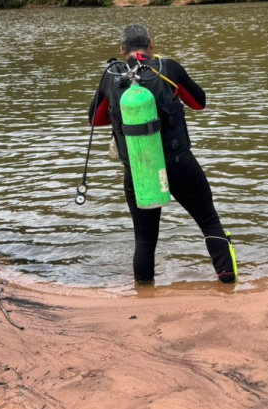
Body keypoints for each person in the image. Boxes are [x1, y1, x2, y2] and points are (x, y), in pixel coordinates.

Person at [87, 25, 236, 284]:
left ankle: (144, 293)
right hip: (179, 164)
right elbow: (200, 102)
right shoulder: (168, 68)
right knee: (209, 221)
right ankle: (227, 279)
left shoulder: (111, 76)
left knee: (144, 239)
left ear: (123, 51)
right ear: (151, 45)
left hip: (139, 170)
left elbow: (94, 119)